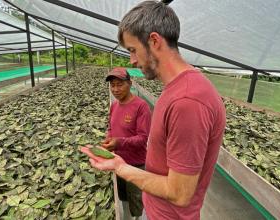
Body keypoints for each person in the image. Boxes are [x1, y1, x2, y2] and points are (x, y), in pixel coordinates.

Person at [81, 1, 226, 219]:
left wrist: (120, 168)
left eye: (133, 50)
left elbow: (180, 193)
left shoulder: (188, 101)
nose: (132, 60)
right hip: (157, 209)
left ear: (154, 41)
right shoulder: (175, 89)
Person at [103, 67, 151, 219]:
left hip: (136, 164)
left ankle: (137, 216)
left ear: (130, 84)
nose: (115, 89)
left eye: (119, 84)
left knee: (136, 199)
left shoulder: (141, 107)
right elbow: (111, 127)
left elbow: (143, 138)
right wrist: (109, 138)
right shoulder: (114, 106)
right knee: (123, 195)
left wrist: (119, 143)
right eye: (112, 85)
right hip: (118, 162)